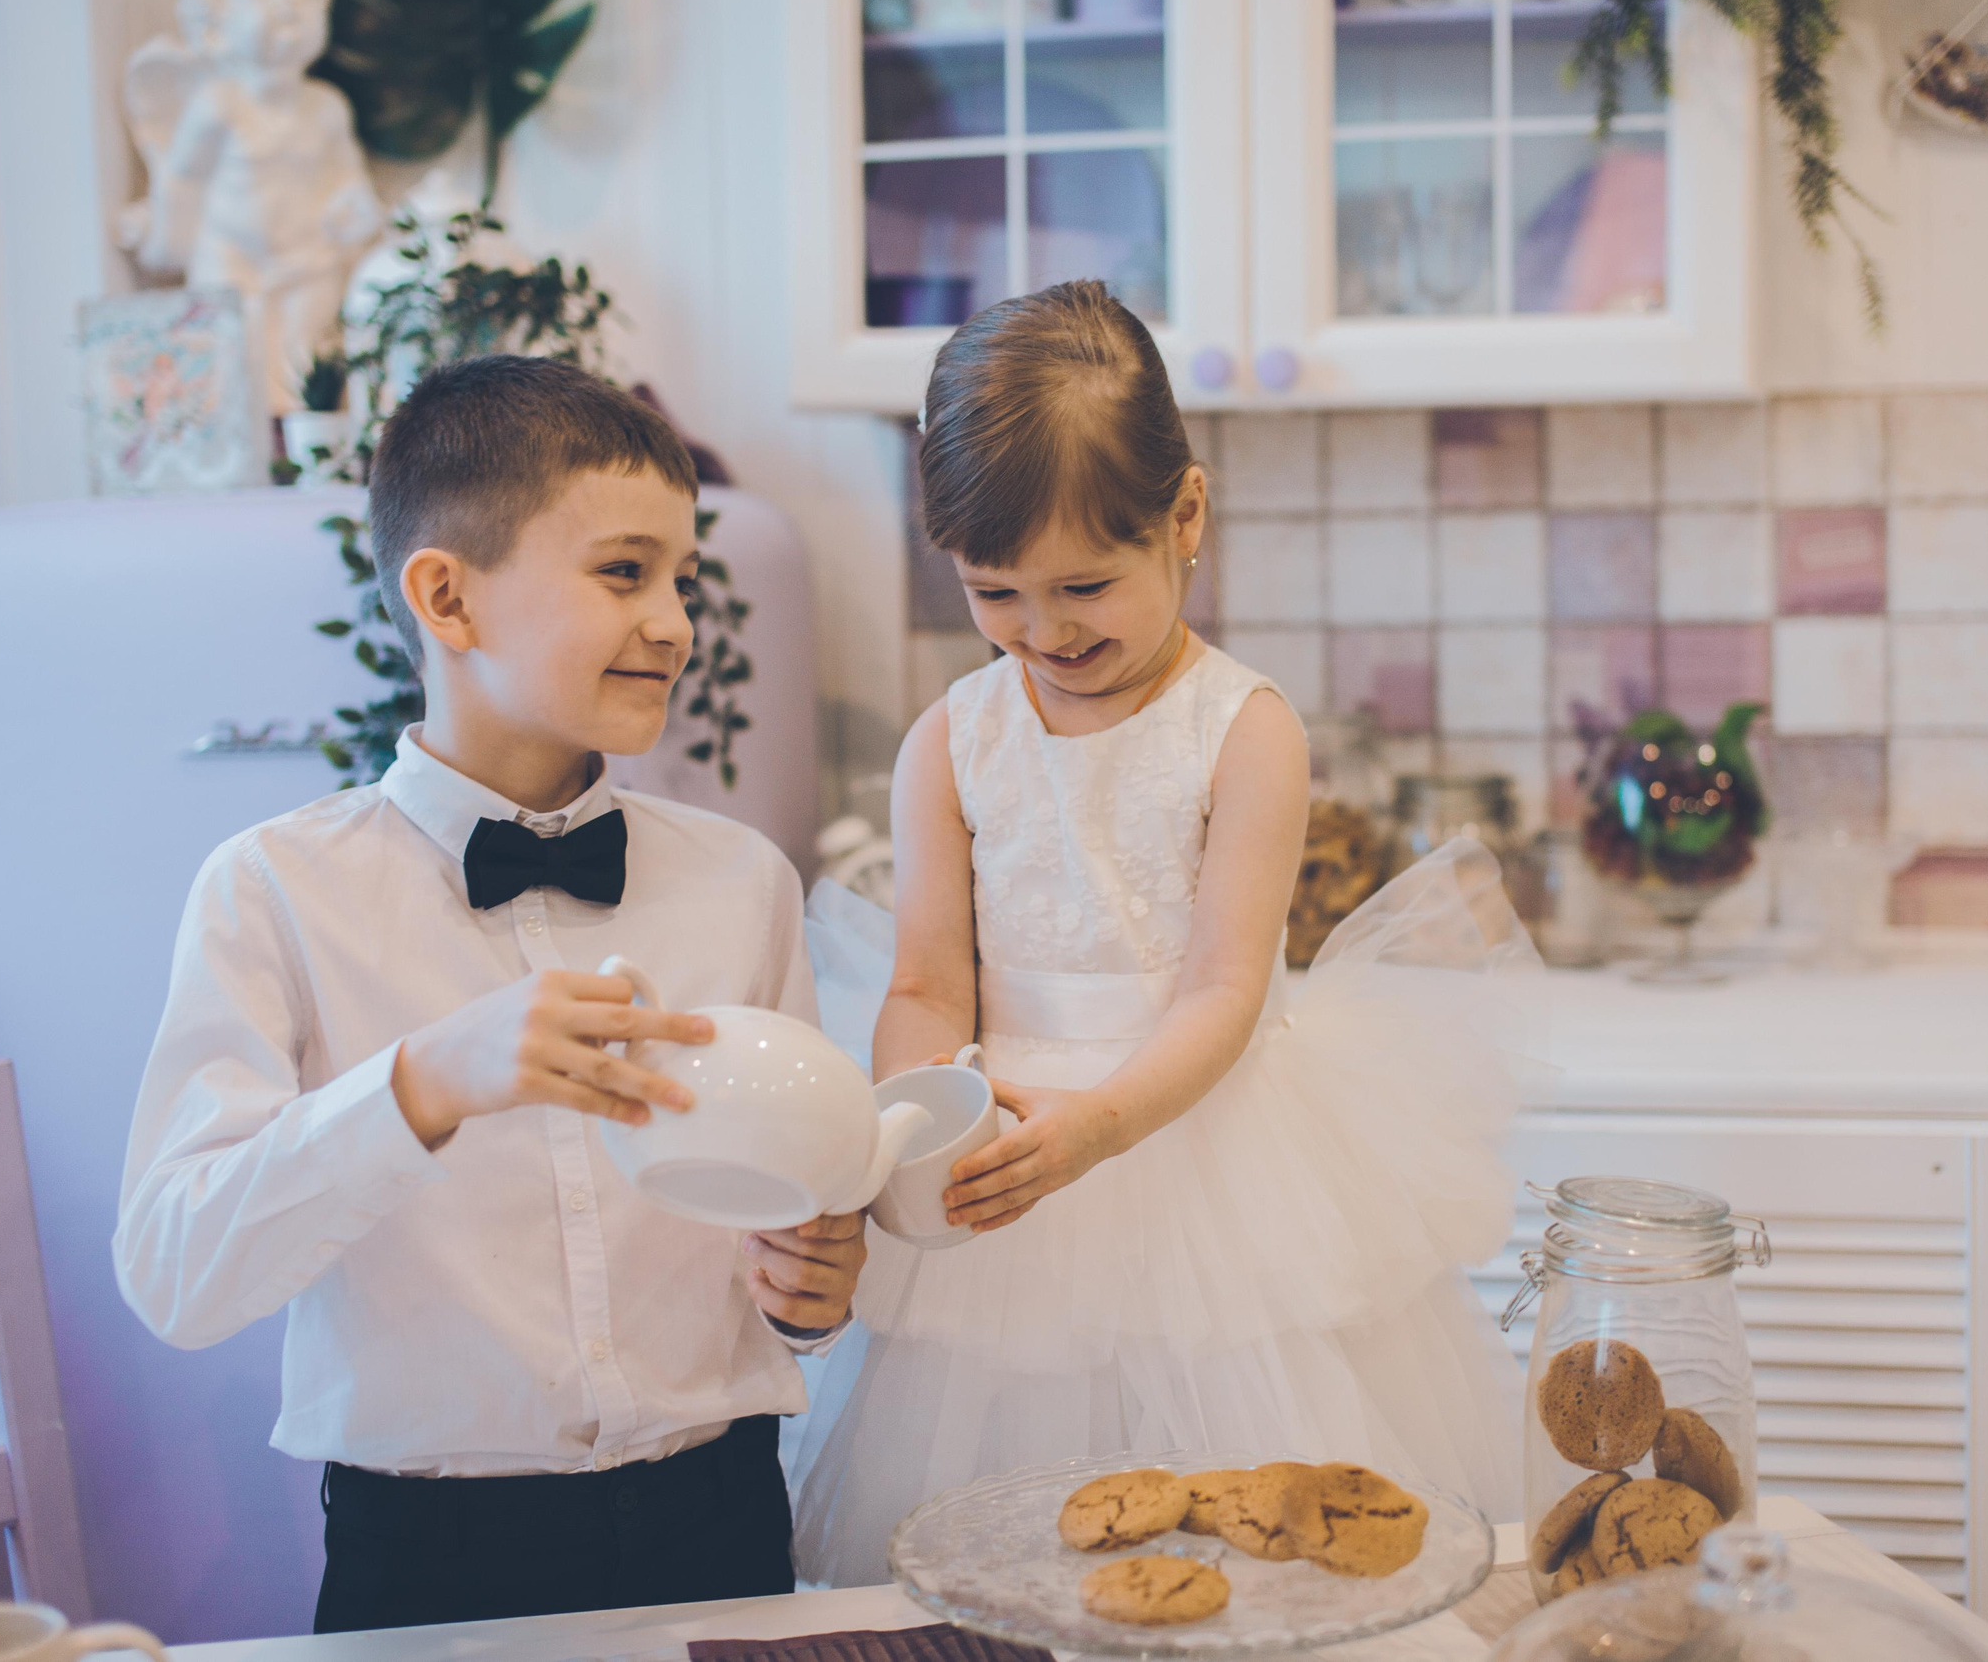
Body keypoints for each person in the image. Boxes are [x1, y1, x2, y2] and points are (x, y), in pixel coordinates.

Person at [789, 281, 1539, 1586]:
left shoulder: (1244, 730)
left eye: (1085, 584)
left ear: (1185, 517)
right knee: (1004, 1557)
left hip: (1202, 1149)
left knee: (1248, 1546)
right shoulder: (948, 742)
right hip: (1007, 1170)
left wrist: (1099, 1124)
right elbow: (924, 981)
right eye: (995, 592)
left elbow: (1223, 989)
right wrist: (923, 1112)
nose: (1045, 631)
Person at [115, 356, 862, 1632]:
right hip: (429, 1562)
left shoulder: (744, 884)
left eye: (683, 581)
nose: (675, 624)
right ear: (446, 597)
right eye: (624, 573)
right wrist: (420, 1086)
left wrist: (816, 1282)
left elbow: (796, 1221)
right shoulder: (272, 892)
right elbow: (177, 1276)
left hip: (724, 1520)